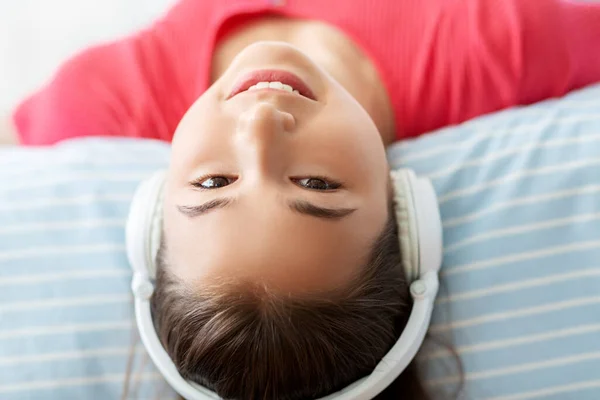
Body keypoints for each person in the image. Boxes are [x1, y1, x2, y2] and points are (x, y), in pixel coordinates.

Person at [6, 0, 600, 398]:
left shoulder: (90, 108)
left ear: (152, 208)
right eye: (316, 185)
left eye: (215, 184)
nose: (262, 127)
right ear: (403, 208)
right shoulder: (504, 46)